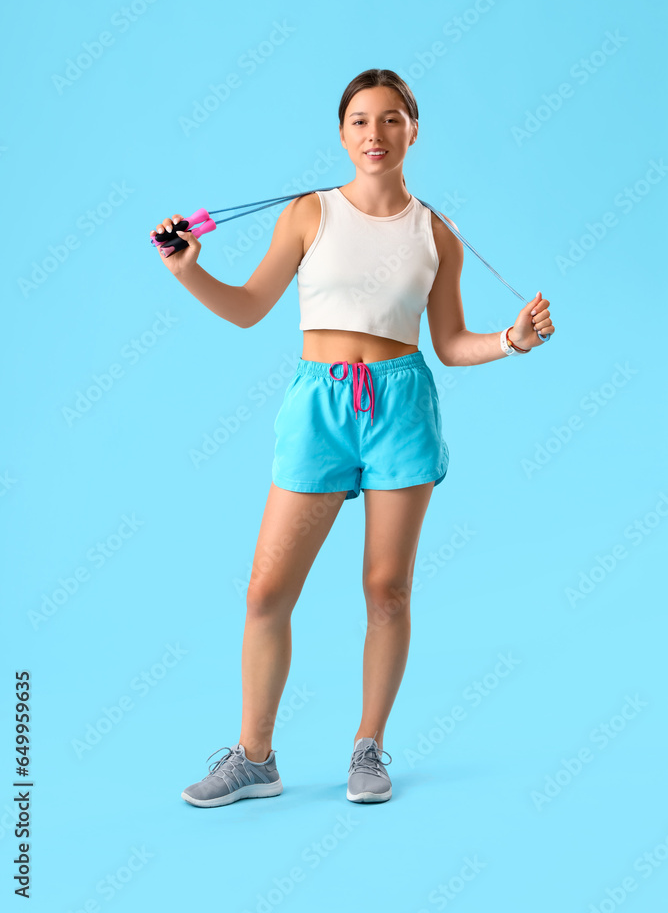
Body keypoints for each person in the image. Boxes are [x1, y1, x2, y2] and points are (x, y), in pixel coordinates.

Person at [149, 68, 555, 808]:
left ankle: (367, 751)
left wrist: (512, 340)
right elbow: (247, 308)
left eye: (392, 119)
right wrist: (186, 272)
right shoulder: (310, 214)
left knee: (386, 589)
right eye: (362, 121)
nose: (376, 134)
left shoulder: (435, 233)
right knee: (268, 590)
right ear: (342, 134)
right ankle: (255, 758)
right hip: (319, 408)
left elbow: (451, 341)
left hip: (401, 408)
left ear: (414, 129)